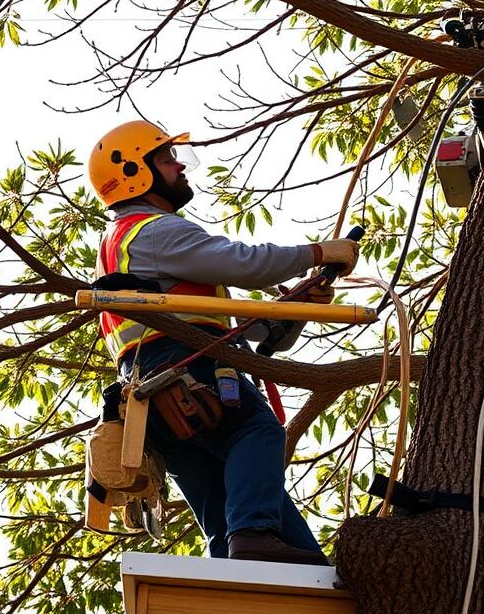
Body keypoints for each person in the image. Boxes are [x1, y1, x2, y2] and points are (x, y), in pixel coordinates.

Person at [87, 120, 358, 565]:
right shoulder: (152, 231)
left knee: (226, 503)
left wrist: (296, 307)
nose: (179, 166)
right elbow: (243, 263)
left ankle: (258, 571)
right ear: (135, 172)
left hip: (153, 396)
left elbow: (252, 333)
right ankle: (254, 535)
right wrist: (317, 253)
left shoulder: (126, 248)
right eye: (166, 159)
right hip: (185, 367)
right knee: (257, 432)